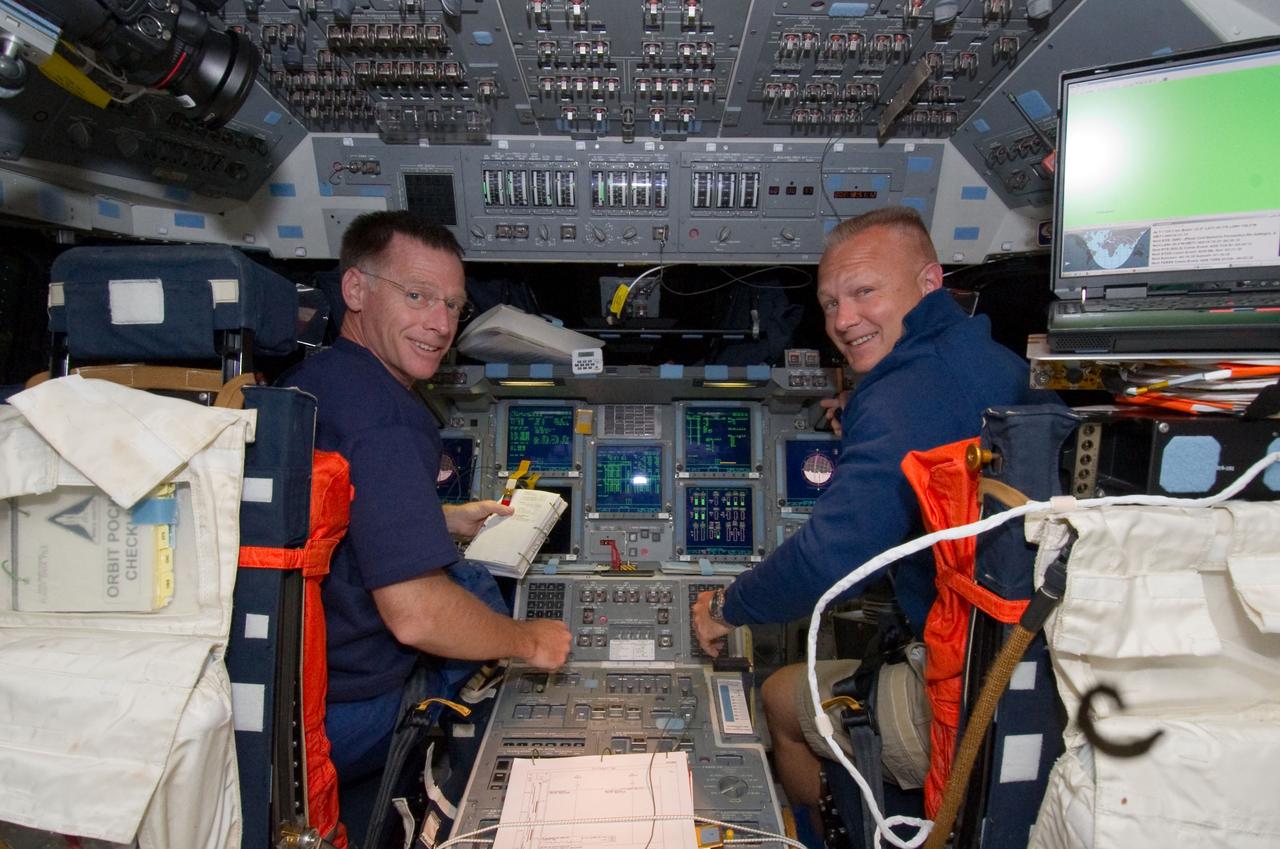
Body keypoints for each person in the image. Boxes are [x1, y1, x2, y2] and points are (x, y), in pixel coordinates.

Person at [690, 206, 1049, 833]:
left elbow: (833, 559)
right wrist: (867, 420)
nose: (843, 319)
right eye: (830, 303)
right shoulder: (973, 355)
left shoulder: (909, 389)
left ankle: (833, 833)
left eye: (864, 292)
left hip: (970, 697)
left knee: (779, 698)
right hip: (1019, 670)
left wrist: (726, 605)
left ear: (931, 283)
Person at [283, 211, 572, 838]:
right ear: (355, 290)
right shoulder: (385, 418)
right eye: (416, 296)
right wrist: (528, 641)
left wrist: (441, 519)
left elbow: (332, 518)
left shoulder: (316, 383)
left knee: (463, 574)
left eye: (452, 305)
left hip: (295, 684)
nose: (440, 325)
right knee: (505, 679)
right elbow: (414, 612)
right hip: (351, 706)